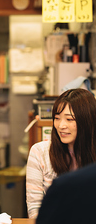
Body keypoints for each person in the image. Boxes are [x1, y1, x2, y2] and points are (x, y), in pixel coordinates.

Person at [26, 88, 96, 219]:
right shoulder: (39, 152)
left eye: (69, 119)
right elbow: (34, 208)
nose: (61, 125)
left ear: (88, 121)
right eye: (57, 118)